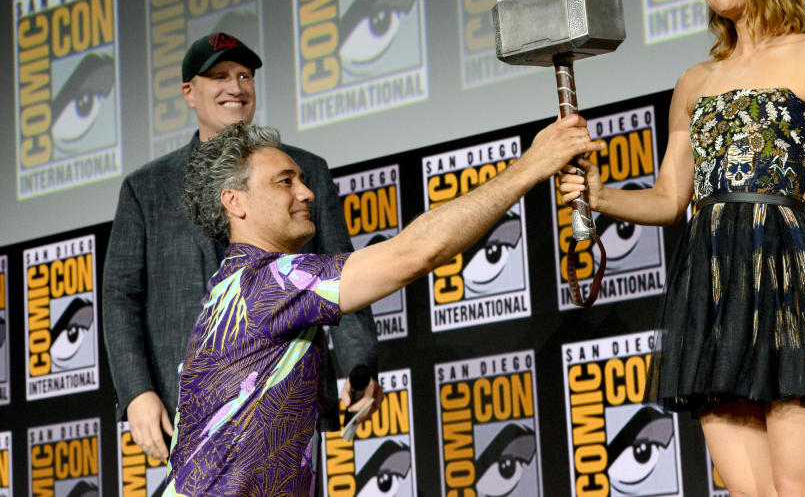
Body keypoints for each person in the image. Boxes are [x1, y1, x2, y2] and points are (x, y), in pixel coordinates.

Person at [560, 0, 805, 495]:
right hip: (711, 290)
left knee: (800, 488)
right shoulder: (693, 82)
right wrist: (600, 195)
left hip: (791, 277)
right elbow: (669, 199)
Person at [162, 118, 603, 495]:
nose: (307, 193)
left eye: (301, 178)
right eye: (285, 181)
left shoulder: (239, 285)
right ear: (235, 202)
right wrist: (531, 166)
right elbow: (415, 253)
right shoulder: (266, 282)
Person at [103, 33, 382, 464]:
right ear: (189, 93)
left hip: (285, 399)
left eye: (244, 76)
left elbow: (341, 271)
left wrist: (359, 364)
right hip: (192, 411)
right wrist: (137, 392)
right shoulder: (146, 188)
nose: (235, 87)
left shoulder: (305, 171)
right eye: (219, 76)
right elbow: (120, 297)